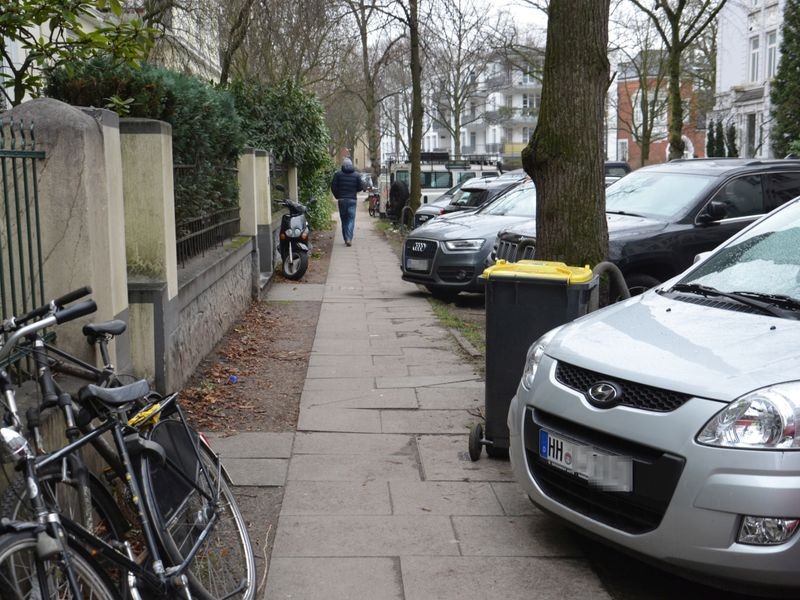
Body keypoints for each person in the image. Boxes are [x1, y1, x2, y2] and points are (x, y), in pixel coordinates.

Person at [330, 157, 365, 246]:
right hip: (352, 200)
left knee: (344, 220)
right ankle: (349, 238)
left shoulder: (338, 174)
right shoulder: (356, 175)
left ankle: (346, 239)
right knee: (351, 219)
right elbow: (361, 187)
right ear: (351, 165)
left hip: (342, 200)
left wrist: (337, 196)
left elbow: (333, 187)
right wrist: (354, 191)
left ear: (343, 165)